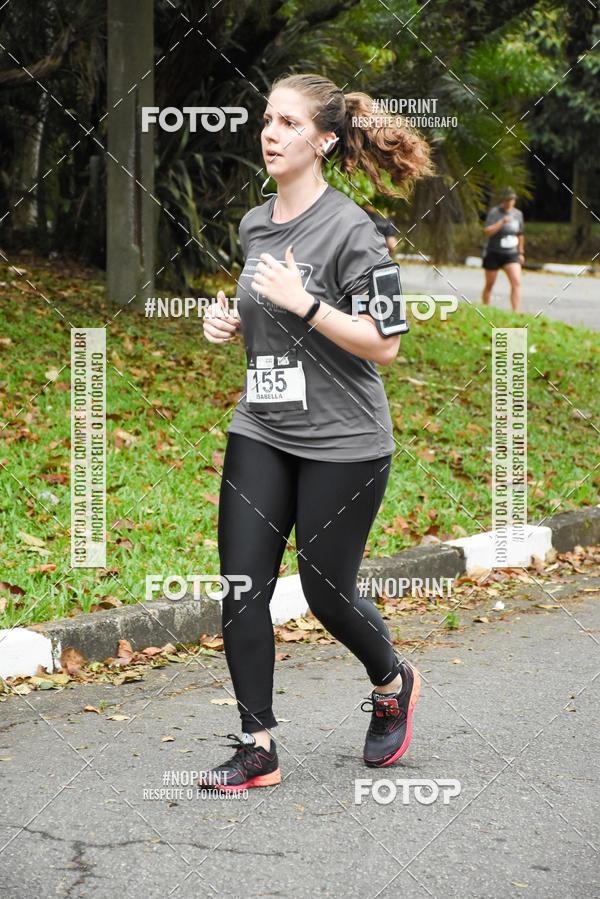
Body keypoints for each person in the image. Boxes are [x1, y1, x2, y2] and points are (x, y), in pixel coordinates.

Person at [200, 73, 433, 793]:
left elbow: (385, 341)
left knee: (325, 590)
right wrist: (230, 320)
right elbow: (260, 306)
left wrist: (305, 304)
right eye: (267, 119)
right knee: (242, 585)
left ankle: (393, 678)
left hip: (346, 441)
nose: (271, 133)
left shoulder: (354, 230)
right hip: (263, 426)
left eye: (290, 123)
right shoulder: (253, 223)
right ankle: (257, 744)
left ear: (325, 139)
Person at [481, 187, 525, 313]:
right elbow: (488, 232)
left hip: (511, 253)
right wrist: (501, 222)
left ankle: (515, 312)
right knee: (490, 284)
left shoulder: (518, 214)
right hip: (494, 252)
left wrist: (521, 252)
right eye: (507, 200)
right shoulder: (495, 213)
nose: (510, 202)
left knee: (516, 282)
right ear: (503, 200)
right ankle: (486, 309)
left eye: (512, 200)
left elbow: (521, 233)